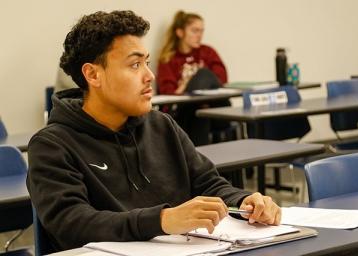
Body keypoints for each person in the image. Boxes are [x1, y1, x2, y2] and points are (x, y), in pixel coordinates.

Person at [26, 10, 281, 252]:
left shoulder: (161, 125)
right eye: (135, 65)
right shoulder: (52, 145)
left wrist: (245, 201)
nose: (150, 76)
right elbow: (72, 224)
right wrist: (161, 220)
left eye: (146, 63)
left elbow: (208, 183)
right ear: (93, 74)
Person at [157, 11, 232, 145]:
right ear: (180, 32)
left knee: (203, 76)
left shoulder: (207, 52)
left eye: (201, 31)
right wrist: (186, 85)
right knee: (200, 115)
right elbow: (167, 92)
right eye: (194, 31)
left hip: (213, 110)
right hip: (182, 114)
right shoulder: (168, 58)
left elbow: (221, 79)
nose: (199, 35)